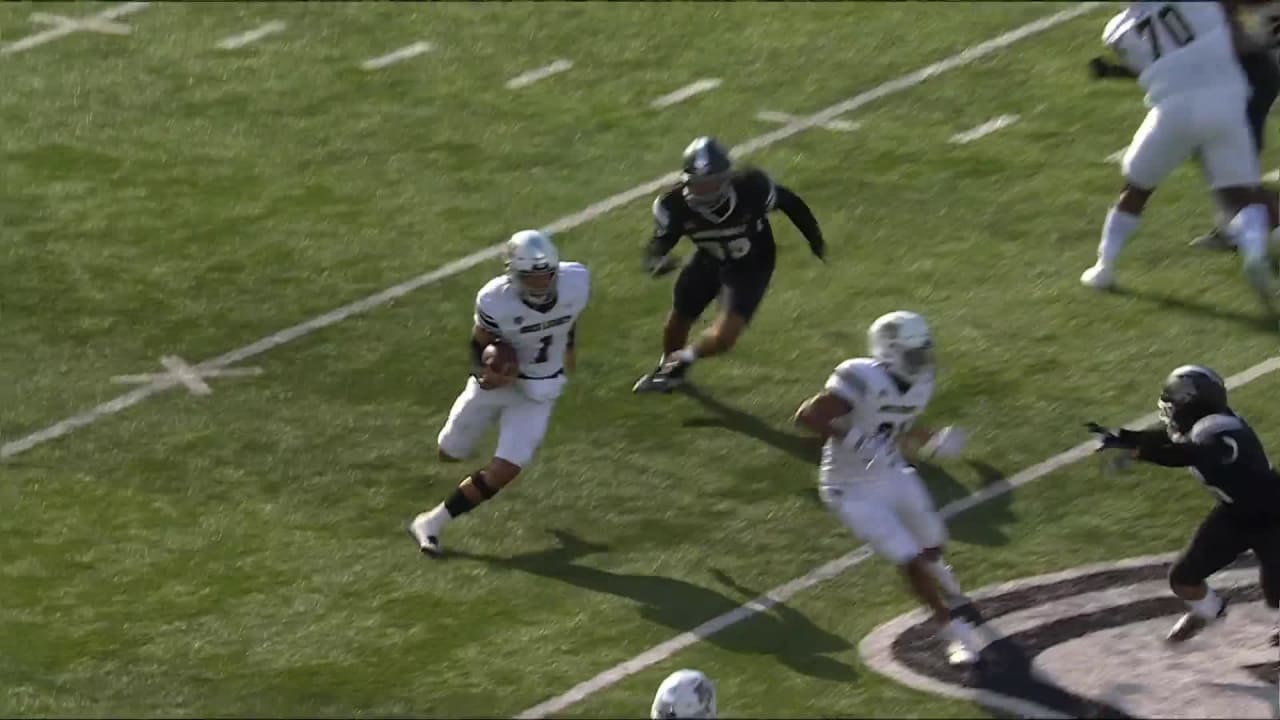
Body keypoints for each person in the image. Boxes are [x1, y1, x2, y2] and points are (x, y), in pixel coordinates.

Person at [792, 310, 979, 666]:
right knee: (907, 557)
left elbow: (891, 423)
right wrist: (850, 436)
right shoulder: (860, 377)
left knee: (932, 541)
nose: (921, 359)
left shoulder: (920, 382)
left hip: (891, 471)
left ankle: (941, 575)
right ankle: (952, 631)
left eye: (924, 351)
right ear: (890, 352)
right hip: (849, 488)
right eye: (914, 353)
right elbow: (807, 415)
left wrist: (930, 439)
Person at [1080, 2, 1278, 318]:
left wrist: (1111, 71)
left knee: (1136, 189)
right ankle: (1255, 250)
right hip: (1226, 101)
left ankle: (1104, 267)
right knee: (1242, 191)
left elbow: (1156, 62)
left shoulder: (1115, 31)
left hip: (1172, 112)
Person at [408, 230, 590, 556]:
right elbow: (479, 340)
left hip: (539, 389)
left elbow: (567, 316)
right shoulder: (494, 299)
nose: (540, 284)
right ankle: (461, 463)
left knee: (505, 470)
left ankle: (431, 523)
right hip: (496, 385)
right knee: (450, 451)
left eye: (546, 275)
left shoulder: (576, 280)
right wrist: (485, 371)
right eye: (531, 278)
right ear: (514, 274)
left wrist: (570, 345)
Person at [1086, 364, 1279, 644]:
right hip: (1235, 515)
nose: (1169, 405)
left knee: (1276, 592)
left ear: (1192, 403)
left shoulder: (1222, 432)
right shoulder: (1204, 424)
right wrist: (1125, 437)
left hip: (1274, 516)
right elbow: (1170, 439)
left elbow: (1188, 453)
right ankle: (1210, 612)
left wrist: (1141, 453)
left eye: (1174, 399)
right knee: (1183, 578)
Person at [632, 136, 826, 394]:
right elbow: (657, 245)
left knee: (724, 337)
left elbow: (790, 202)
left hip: (752, 263)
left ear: (726, 178)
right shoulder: (673, 205)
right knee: (679, 318)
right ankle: (668, 371)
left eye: (712, 182)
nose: (706, 190)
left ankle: (684, 359)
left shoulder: (750, 188)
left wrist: (814, 238)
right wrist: (657, 261)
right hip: (708, 257)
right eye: (699, 184)